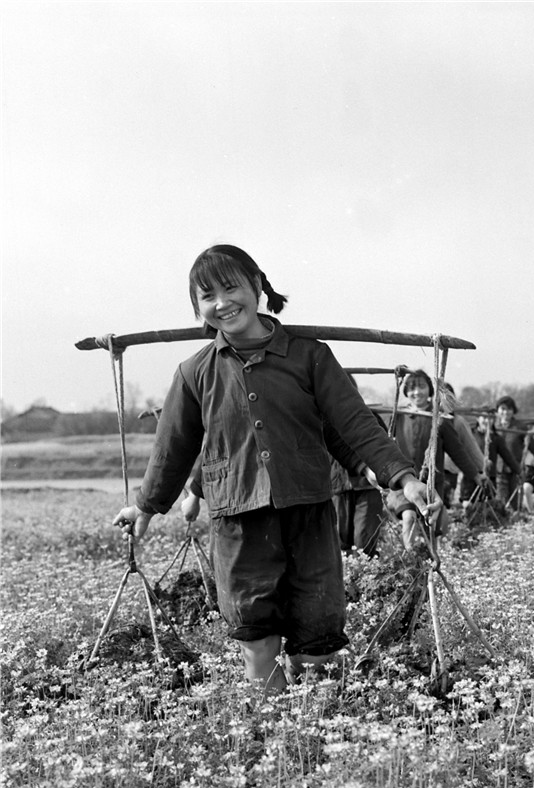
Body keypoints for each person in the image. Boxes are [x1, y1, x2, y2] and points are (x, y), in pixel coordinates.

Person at [112, 244, 438, 697]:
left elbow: (355, 424)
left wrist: (403, 477)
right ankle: (272, 735)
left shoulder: (310, 356)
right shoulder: (194, 373)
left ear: (258, 287)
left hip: (307, 510)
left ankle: (319, 734)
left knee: (318, 634)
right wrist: (145, 508)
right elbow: (173, 449)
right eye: (208, 296)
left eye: (232, 287)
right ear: (198, 308)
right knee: (256, 638)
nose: (223, 303)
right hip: (238, 522)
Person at [386, 369, 484, 547]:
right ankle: (409, 561)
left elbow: (458, 451)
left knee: (430, 528)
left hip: (431, 483)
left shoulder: (441, 420)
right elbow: (384, 445)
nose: (417, 392)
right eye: (412, 388)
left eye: (422, 387)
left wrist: (475, 475)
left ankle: (430, 565)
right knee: (409, 517)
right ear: (406, 392)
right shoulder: (398, 417)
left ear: (429, 390)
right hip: (404, 481)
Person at [330, 376, 385, 558]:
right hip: (338, 486)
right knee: (339, 540)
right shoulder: (324, 420)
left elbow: (385, 446)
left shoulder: (369, 417)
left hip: (367, 485)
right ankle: (346, 582)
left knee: (364, 540)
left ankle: (366, 580)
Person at [459, 410, 526, 505]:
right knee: (468, 505)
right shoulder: (470, 434)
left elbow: (508, 457)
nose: (487, 421)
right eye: (484, 418)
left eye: (490, 419)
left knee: (486, 507)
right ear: (478, 418)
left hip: (488, 478)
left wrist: (519, 471)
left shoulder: (496, 439)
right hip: (471, 476)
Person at [440, 383, 485, 507]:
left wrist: (482, 467)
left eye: (449, 399)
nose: (443, 404)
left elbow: (470, 446)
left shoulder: (458, 422)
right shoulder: (426, 418)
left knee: (443, 503)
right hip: (426, 470)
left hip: (449, 470)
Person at [494, 396, 525, 507]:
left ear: (513, 411)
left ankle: (516, 523)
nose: (506, 412)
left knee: (515, 503)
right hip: (498, 469)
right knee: (501, 501)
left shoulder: (519, 427)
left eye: (509, 409)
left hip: (515, 469)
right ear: (497, 410)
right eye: (503, 409)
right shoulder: (493, 426)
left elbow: (533, 447)